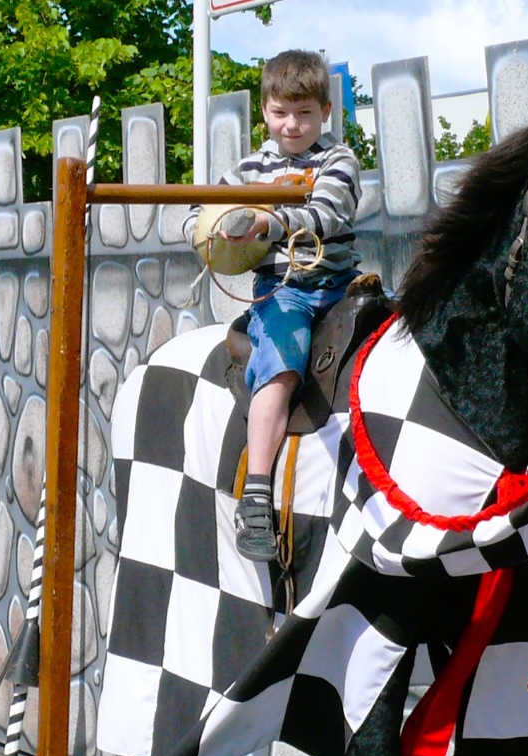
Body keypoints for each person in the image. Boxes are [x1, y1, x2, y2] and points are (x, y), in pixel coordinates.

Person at [189, 50, 362, 562]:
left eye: (305, 113)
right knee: (282, 367)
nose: (292, 124)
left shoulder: (338, 160)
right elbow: (199, 212)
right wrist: (211, 231)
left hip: (343, 284)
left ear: (325, 112)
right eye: (281, 112)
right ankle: (258, 495)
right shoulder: (247, 170)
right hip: (286, 292)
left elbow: (328, 212)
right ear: (264, 110)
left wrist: (268, 221)